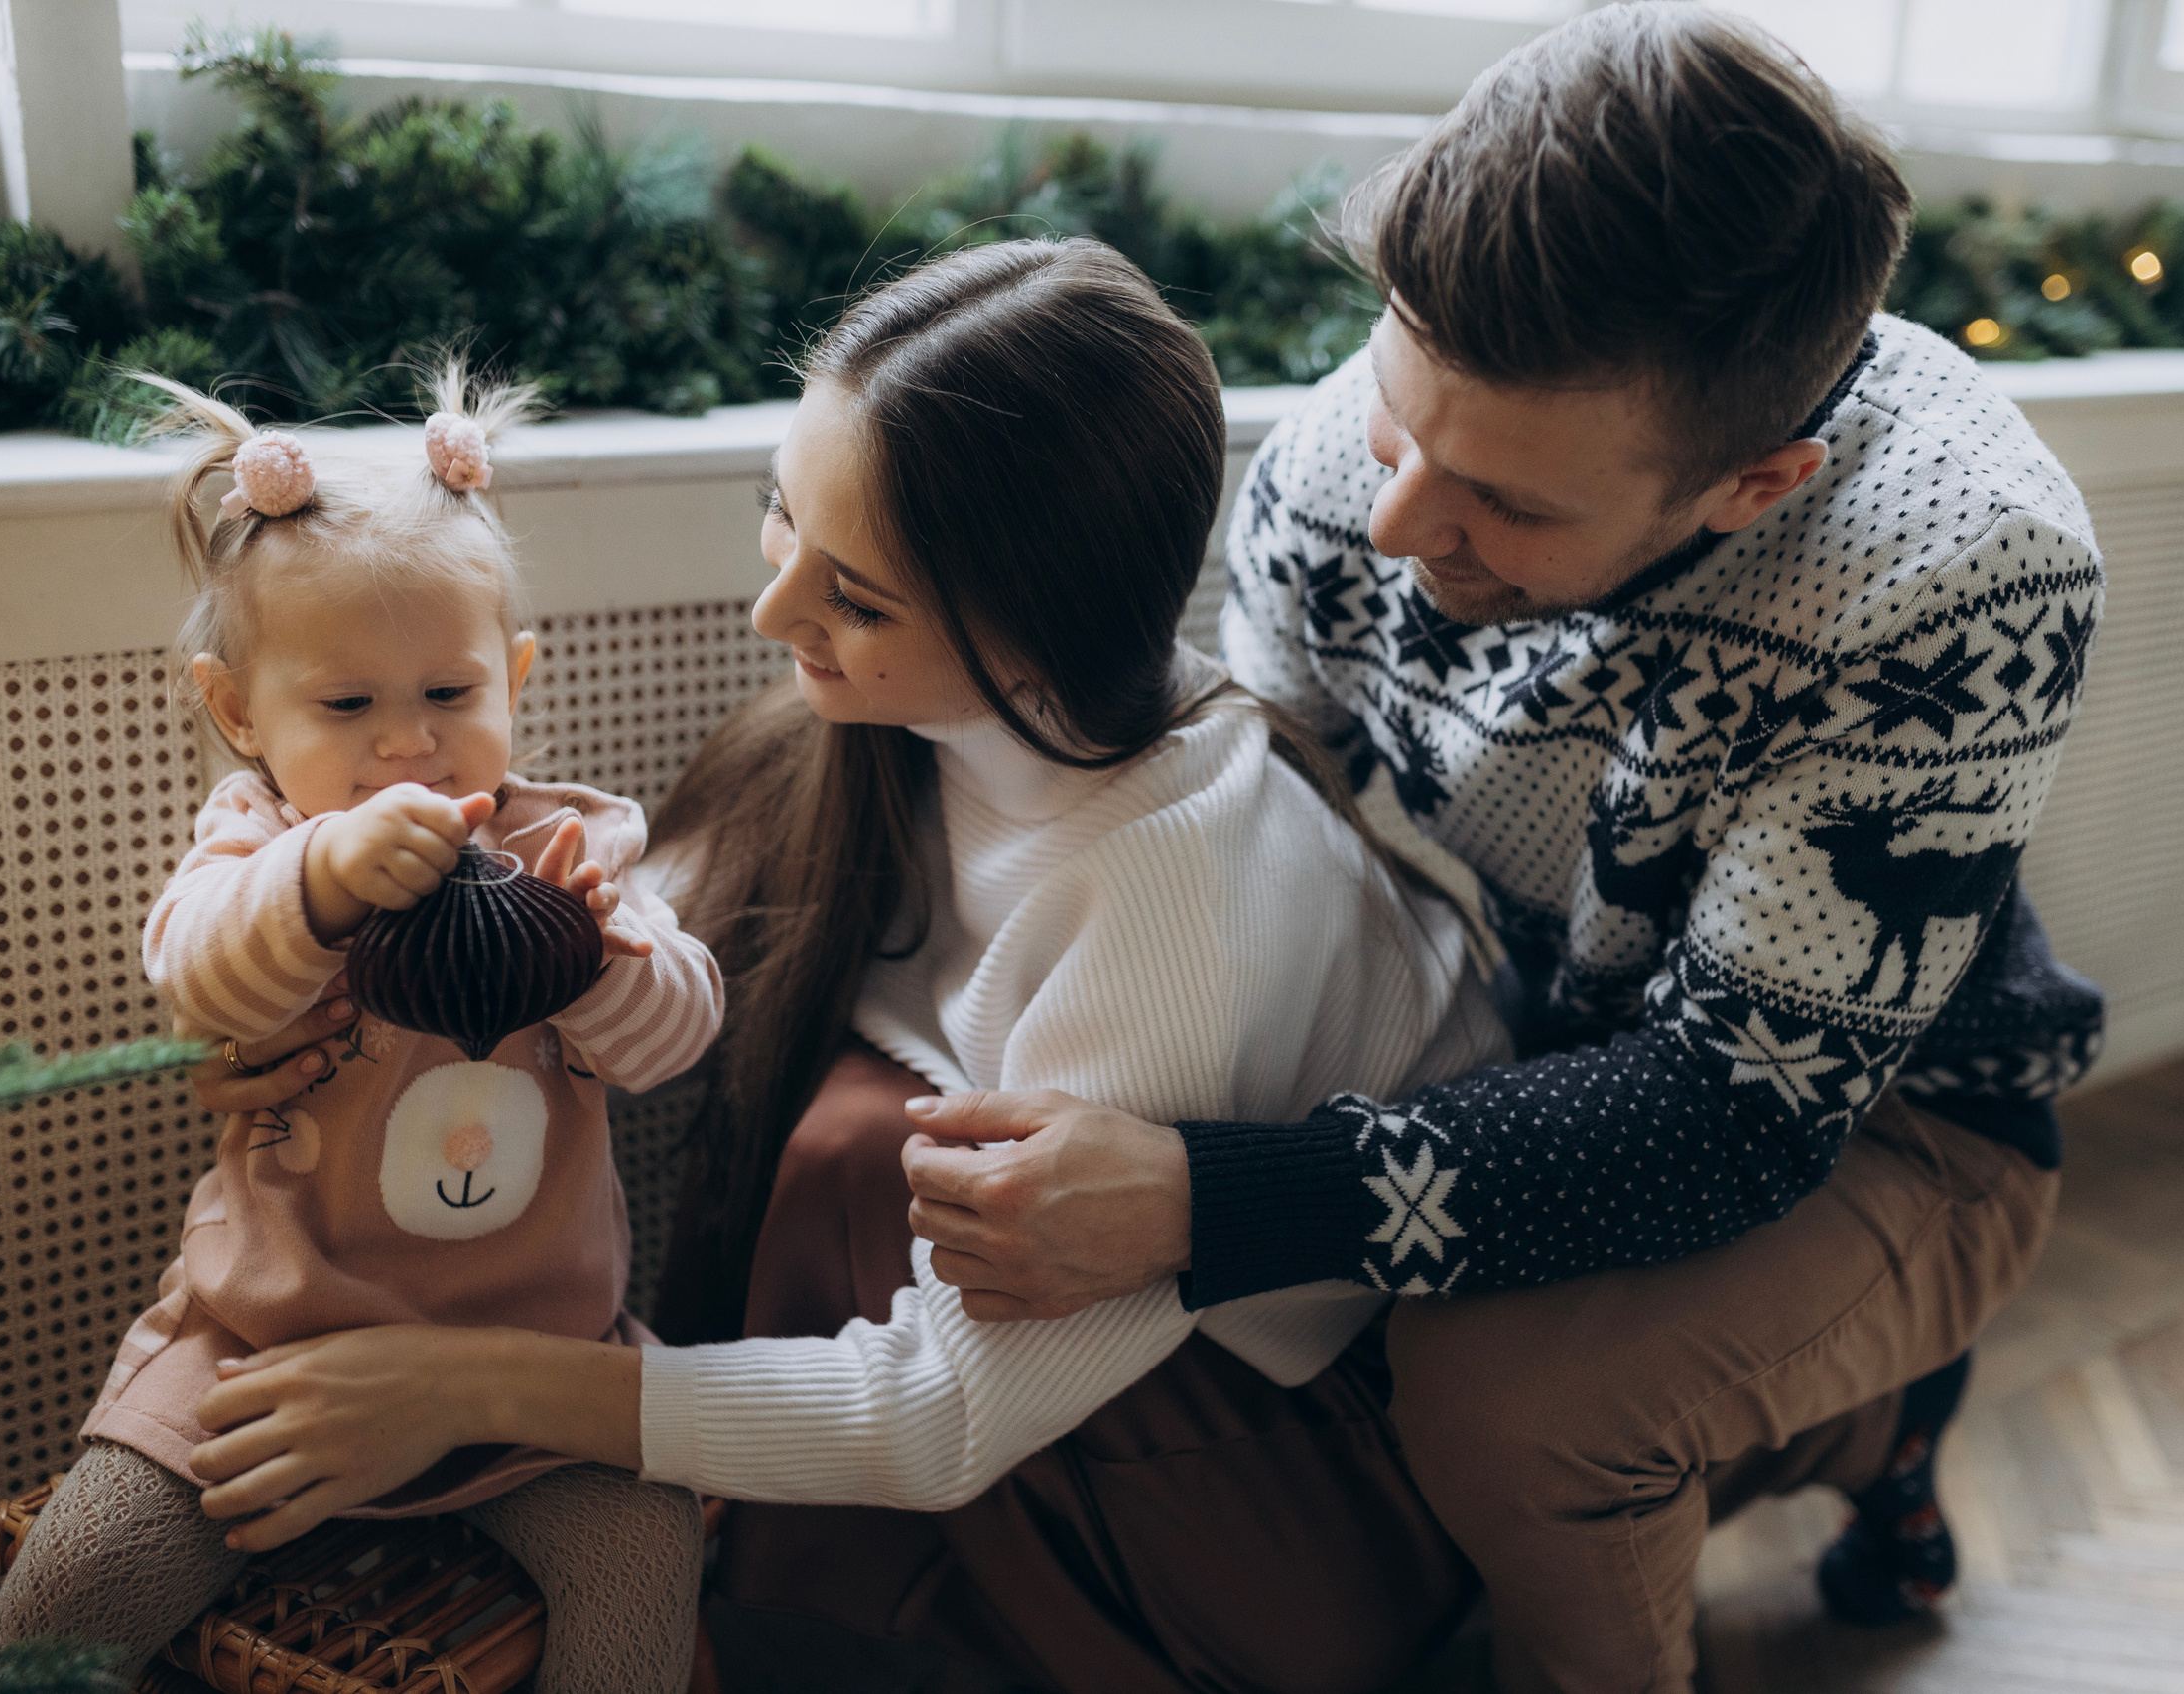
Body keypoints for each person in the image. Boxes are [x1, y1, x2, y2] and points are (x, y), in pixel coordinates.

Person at [890, 8, 2108, 1691]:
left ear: (1758, 485)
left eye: (1511, 510)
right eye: (1398, 428)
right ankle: (1838, 1423)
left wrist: (1206, 1198)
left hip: (1895, 1114)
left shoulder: (1973, 574)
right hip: (1562, 1021)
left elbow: (1730, 1116)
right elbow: (1253, 800)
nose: (1396, 531)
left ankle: (1854, 1406)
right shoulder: (1366, 456)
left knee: (1512, 1404)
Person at [167, 239, 1512, 1689]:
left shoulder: (1180, 884)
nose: (773, 613)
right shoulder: (887, 738)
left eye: (855, 596)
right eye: (779, 515)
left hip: (1280, 1480)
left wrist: (465, 1391)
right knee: (864, 1140)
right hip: (1050, 1390)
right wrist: (330, 992)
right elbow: (605, 950)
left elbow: (945, 1411)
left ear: (1040, 621)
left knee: (884, 1150)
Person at [0, 367, 726, 1693]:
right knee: (72, 1593)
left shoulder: (567, 847)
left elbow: (678, 1035)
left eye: (448, 693)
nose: (408, 750)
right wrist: (319, 885)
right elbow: (200, 980)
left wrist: (596, 958)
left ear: (517, 676)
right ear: (237, 713)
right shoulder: (259, 848)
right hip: (262, 1353)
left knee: (642, 1561)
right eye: (347, 707)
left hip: (541, 1364)